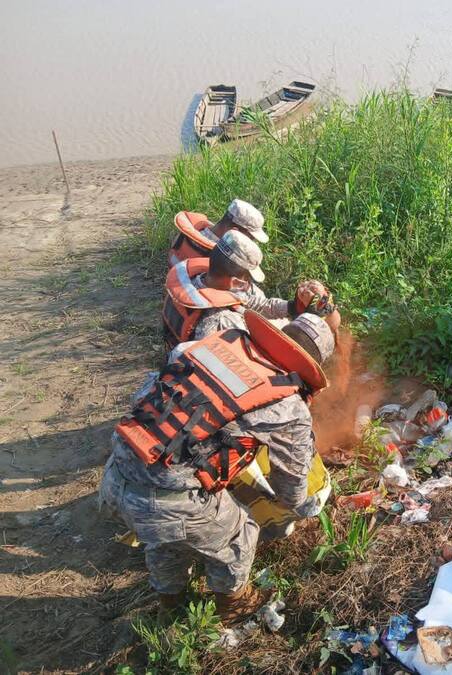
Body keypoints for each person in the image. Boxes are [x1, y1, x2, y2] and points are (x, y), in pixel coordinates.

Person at [99, 310, 335, 624]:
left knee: (168, 538)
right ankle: (234, 607)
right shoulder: (287, 406)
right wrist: (303, 506)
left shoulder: (198, 348)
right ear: (307, 371)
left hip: (115, 477)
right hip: (163, 503)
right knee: (239, 531)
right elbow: (291, 493)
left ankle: (171, 605)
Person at [162, 230, 340, 350]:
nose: (249, 285)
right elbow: (266, 347)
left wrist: (294, 307)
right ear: (236, 281)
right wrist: (307, 320)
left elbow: (253, 303)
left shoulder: (198, 282)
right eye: (248, 279)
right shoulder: (222, 322)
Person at [168, 198, 269, 268]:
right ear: (234, 232)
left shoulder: (187, 233)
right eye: (250, 238)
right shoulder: (220, 258)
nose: (251, 242)